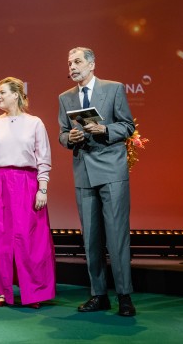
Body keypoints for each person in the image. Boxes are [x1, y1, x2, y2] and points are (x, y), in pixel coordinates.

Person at [57, 47, 136, 317]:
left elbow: (127, 126)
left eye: (77, 61)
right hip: (84, 172)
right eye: (69, 63)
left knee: (116, 236)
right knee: (90, 238)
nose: (72, 67)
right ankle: (98, 294)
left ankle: (124, 296)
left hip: (112, 170)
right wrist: (70, 138)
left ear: (91, 64)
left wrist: (104, 129)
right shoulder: (65, 97)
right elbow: (63, 133)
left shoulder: (113, 89)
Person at [0, 77, 55, 309]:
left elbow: (44, 159)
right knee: (1, 239)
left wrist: (42, 189)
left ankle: (34, 292)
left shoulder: (35, 123)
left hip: (26, 184)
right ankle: (3, 291)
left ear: (16, 95)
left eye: (2, 92)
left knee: (30, 240)